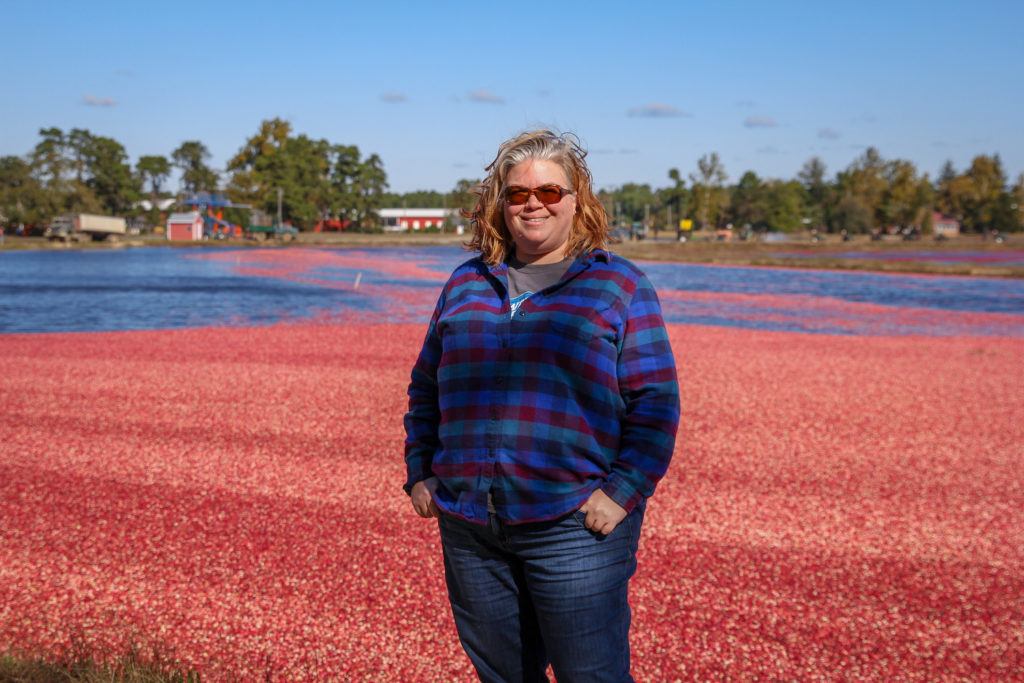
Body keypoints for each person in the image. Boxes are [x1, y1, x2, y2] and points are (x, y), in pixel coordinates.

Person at [403, 130, 680, 682]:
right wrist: (420, 470)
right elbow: (426, 385)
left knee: (591, 676)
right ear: (499, 204)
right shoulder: (466, 284)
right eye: (517, 193)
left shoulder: (617, 286)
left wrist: (621, 493)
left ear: (577, 200)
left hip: (574, 525)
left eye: (551, 191)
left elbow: (655, 402)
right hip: (470, 525)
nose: (534, 203)